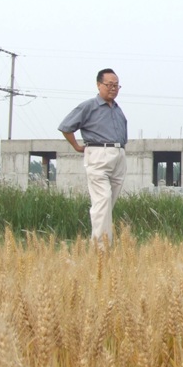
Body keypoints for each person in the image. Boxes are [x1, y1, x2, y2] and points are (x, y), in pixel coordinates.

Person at [58, 68, 127, 247]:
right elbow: (66, 127)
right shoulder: (89, 106)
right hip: (98, 154)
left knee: (107, 204)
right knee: (102, 201)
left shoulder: (118, 109)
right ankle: (101, 249)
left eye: (116, 85)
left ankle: (101, 244)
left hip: (119, 155)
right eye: (109, 85)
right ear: (98, 85)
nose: (113, 88)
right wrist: (76, 146)